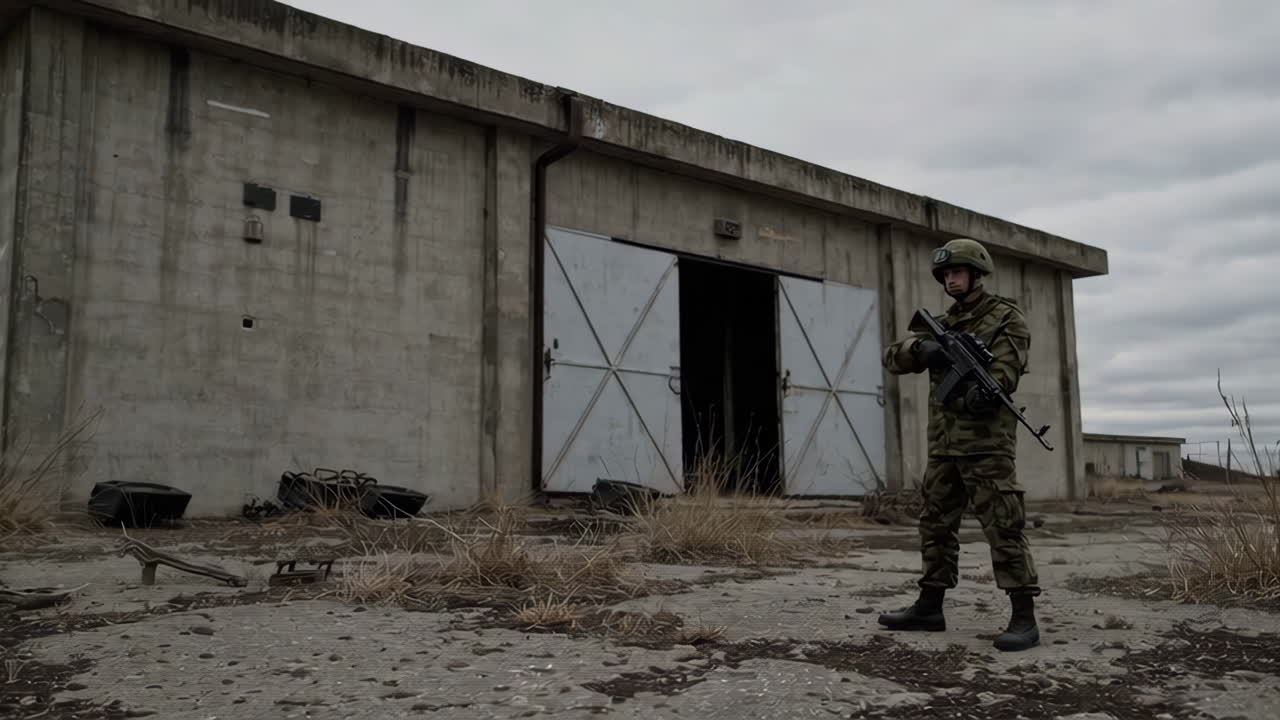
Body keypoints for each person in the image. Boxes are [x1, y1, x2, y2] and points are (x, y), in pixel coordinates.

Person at [877, 237, 1041, 652]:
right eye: (946, 274)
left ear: (976, 275)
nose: (952, 279)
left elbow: (1005, 372)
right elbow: (892, 357)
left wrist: (977, 394)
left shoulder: (1006, 317)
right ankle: (930, 607)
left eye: (958, 272)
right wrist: (923, 349)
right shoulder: (942, 323)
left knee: (1004, 526)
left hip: (986, 445)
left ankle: (1024, 617)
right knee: (935, 525)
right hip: (944, 445)